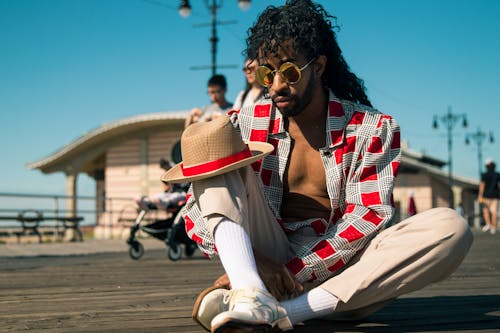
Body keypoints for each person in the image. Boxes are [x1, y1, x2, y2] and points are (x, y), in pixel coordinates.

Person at [162, 1, 473, 332]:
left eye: (290, 71)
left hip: (343, 276)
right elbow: (196, 213)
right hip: (269, 255)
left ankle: (278, 309)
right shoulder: (244, 124)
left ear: (319, 67)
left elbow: (366, 217)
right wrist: (257, 263)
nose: (277, 85)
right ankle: (251, 290)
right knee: (213, 146)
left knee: (451, 227)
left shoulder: (371, 129)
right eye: (267, 73)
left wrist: (289, 273)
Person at [478, 158, 500, 235]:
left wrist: (480, 196)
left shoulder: (484, 175)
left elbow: (482, 185)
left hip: (486, 195)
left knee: (486, 210)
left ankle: (488, 224)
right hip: (495, 196)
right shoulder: (497, 174)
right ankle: (493, 227)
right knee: (494, 212)